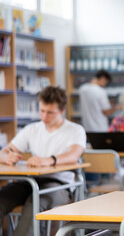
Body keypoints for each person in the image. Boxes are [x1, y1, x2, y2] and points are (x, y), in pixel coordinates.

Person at [0, 86, 86, 236]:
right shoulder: (32, 129)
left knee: (34, 204)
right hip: (30, 182)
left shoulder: (75, 130)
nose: (45, 116)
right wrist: (7, 157)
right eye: (42, 111)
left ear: (62, 111)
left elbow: (73, 155)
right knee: (1, 198)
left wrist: (49, 160)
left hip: (60, 185)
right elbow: (5, 151)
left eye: (50, 112)